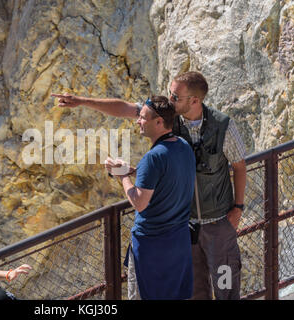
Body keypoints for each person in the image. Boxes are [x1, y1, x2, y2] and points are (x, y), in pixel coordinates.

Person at [51, 71, 247, 300]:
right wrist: (82, 101)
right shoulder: (168, 119)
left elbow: (240, 166)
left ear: (194, 100)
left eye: (176, 97)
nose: (171, 100)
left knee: (226, 286)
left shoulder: (222, 126)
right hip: (186, 229)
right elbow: (125, 109)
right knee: (196, 292)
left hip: (218, 226)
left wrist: (238, 208)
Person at [107, 95, 195, 299]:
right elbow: (166, 177)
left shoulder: (153, 158)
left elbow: (139, 202)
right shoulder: (183, 146)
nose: (138, 121)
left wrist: (122, 177)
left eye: (143, 117)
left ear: (159, 122)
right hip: (178, 243)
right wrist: (136, 172)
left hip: (151, 249)